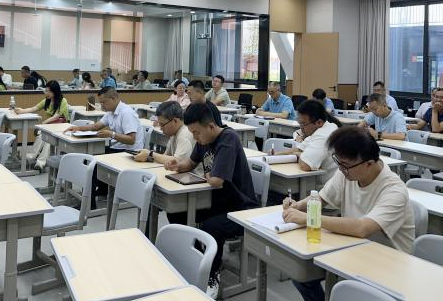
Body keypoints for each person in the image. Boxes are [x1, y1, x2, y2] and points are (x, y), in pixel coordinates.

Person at [282, 127, 415, 301]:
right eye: (338, 162)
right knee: (301, 272)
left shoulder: (394, 190)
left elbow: (362, 228)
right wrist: (298, 206)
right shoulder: (347, 172)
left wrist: (310, 218)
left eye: (345, 165)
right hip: (352, 247)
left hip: (388, 264)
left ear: (369, 163)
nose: (341, 169)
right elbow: (321, 198)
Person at [165, 103, 258, 297]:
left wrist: (207, 176)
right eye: (192, 133)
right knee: (176, 212)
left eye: (196, 133)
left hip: (241, 208)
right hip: (216, 202)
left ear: (211, 126)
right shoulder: (203, 140)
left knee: (211, 227)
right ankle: (198, 257)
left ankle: (211, 275)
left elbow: (216, 181)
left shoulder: (228, 139)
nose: (195, 138)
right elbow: (190, 163)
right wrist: (177, 165)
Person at [274, 100, 341, 184]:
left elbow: (306, 165)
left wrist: (297, 154)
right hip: (316, 180)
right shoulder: (320, 129)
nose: (301, 128)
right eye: (300, 123)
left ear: (319, 122)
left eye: (303, 124)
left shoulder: (324, 135)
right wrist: (276, 154)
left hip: (325, 185)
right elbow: (299, 149)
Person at [133, 101, 202, 175]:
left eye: (162, 124)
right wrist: (148, 157)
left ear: (175, 121)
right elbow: (166, 156)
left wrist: (150, 154)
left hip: (194, 177)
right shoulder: (174, 133)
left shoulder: (184, 134)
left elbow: (177, 162)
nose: (160, 128)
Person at [15, 80, 70, 171]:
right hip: (49, 126)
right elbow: (34, 108)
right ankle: (32, 156)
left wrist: (43, 124)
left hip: (61, 128)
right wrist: (22, 111)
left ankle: (40, 163)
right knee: (41, 136)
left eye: (49, 91)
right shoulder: (47, 101)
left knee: (48, 140)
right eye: (46, 90)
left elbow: (57, 116)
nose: (47, 93)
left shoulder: (63, 101)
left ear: (55, 91)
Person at [68, 87, 144, 152]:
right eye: (101, 103)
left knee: (91, 156)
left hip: (129, 151)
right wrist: (78, 128)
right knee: (88, 152)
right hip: (117, 148)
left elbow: (131, 140)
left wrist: (111, 134)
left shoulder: (127, 113)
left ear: (113, 98)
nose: (102, 106)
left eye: (103, 102)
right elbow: (95, 127)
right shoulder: (110, 112)